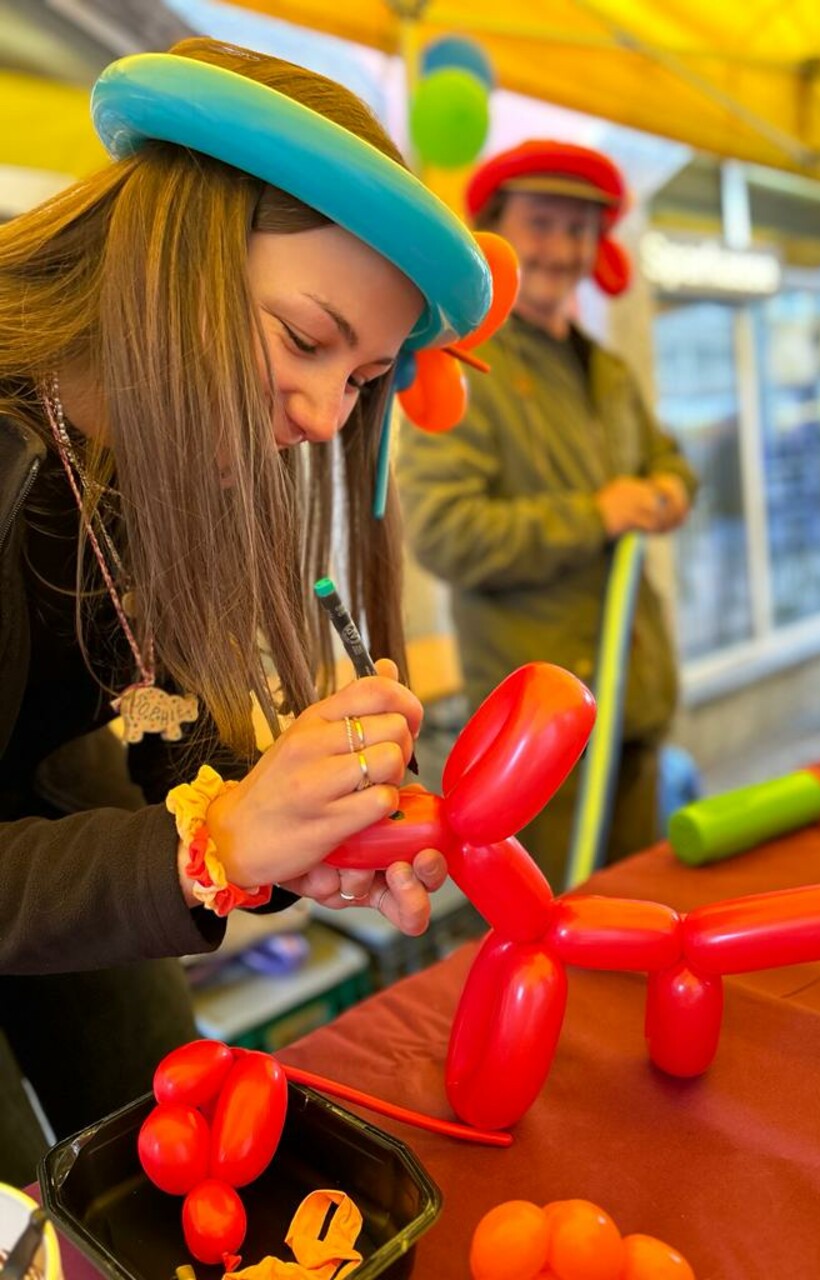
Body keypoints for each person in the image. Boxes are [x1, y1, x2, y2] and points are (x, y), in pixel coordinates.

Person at [0, 37, 494, 1179]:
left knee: (161, 1159)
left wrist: (286, 820)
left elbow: (148, 701)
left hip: (49, 813)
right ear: (171, 253)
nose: (326, 414)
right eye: (306, 339)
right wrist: (205, 846)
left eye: (364, 378)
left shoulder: (152, 453)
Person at [396, 140, 698, 892]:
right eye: (541, 223)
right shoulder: (467, 371)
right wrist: (596, 514)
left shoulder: (610, 373)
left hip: (634, 698)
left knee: (637, 911)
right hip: (541, 731)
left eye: (579, 229)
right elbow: (444, 530)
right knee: (562, 933)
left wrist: (666, 490)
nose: (562, 248)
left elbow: (672, 461)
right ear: (496, 231)